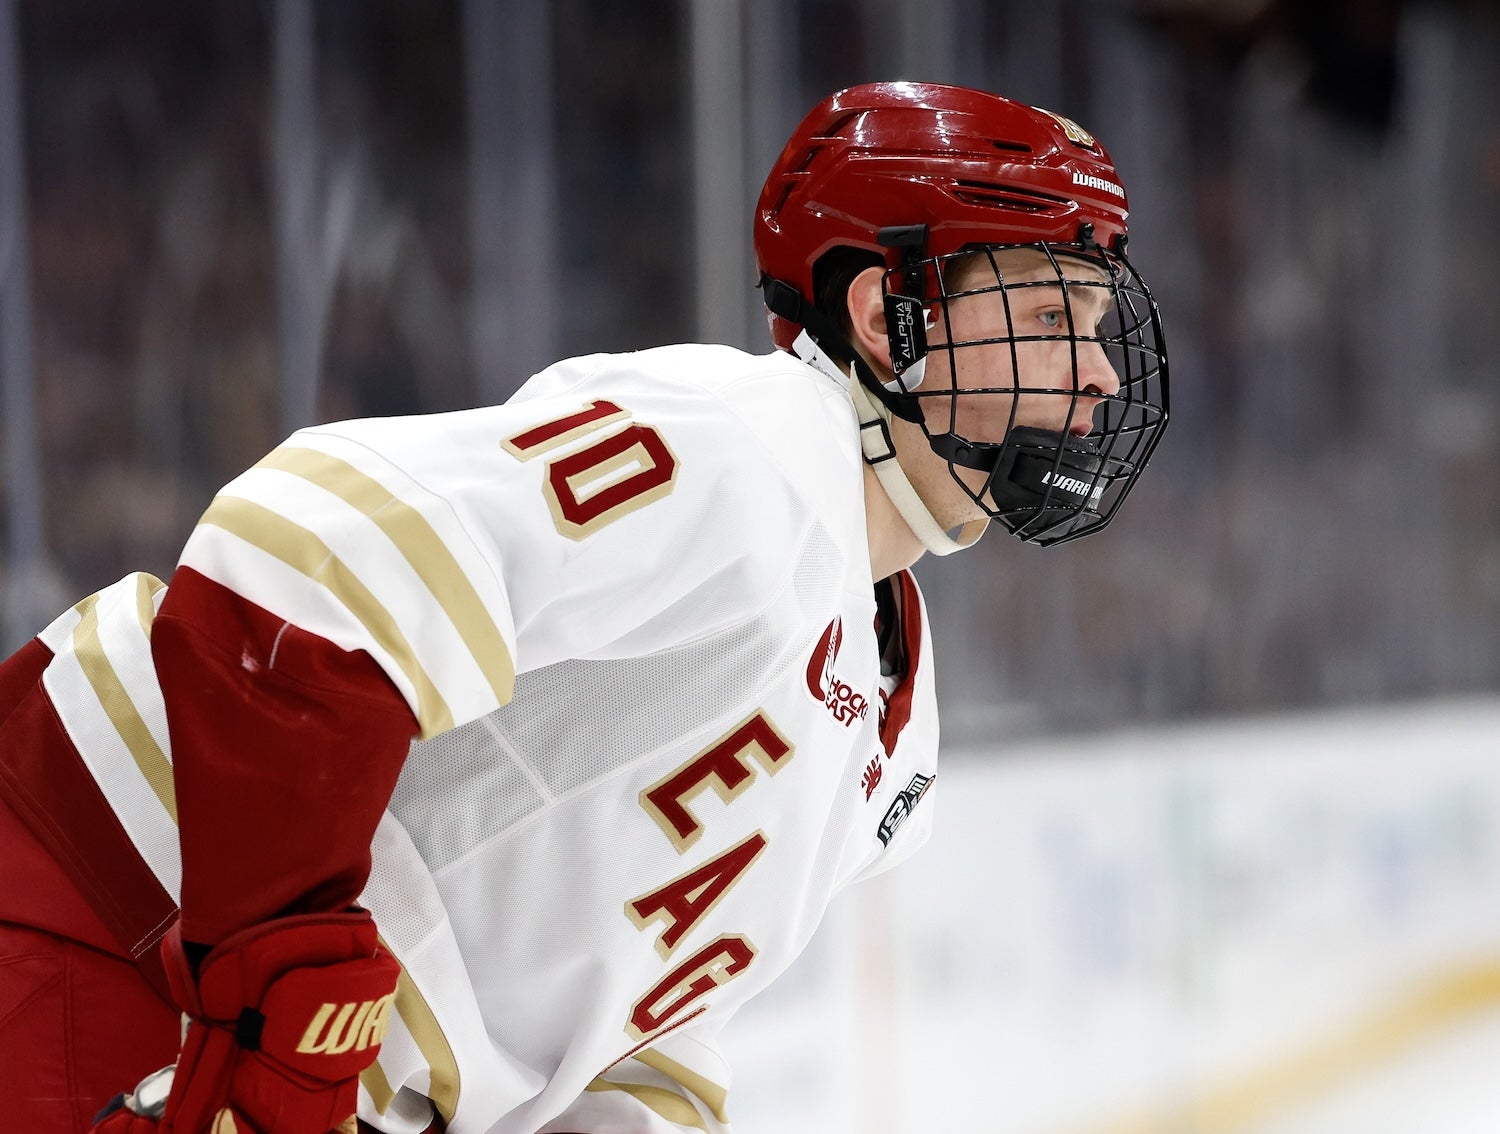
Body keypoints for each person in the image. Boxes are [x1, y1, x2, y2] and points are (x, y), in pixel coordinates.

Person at [0, 81, 1168, 1134]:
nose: (1102, 372)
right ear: (883, 316)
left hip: (230, 1032)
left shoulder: (897, 730)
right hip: (106, 912)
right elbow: (304, 558)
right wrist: (277, 1001)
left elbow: (640, 1029)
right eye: (1053, 316)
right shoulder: (751, 451)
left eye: (1097, 327)